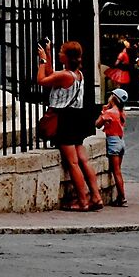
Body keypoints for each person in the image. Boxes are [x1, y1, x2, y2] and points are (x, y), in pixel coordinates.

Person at [36, 40, 100, 211]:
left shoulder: (65, 76)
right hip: (76, 116)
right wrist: (48, 54)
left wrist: (42, 60)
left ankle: (83, 201)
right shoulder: (77, 74)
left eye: (61, 52)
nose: (59, 54)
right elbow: (51, 75)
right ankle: (96, 196)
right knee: (83, 159)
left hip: (65, 118)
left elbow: (42, 80)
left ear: (67, 57)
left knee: (72, 163)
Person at [96, 89, 129, 206]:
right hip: (121, 141)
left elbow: (97, 124)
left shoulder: (109, 113)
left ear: (113, 98)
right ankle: (120, 196)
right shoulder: (121, 113)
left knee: (116, 172)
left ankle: (122, 198)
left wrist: (103, 112)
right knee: (118, 171)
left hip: (113, 141)